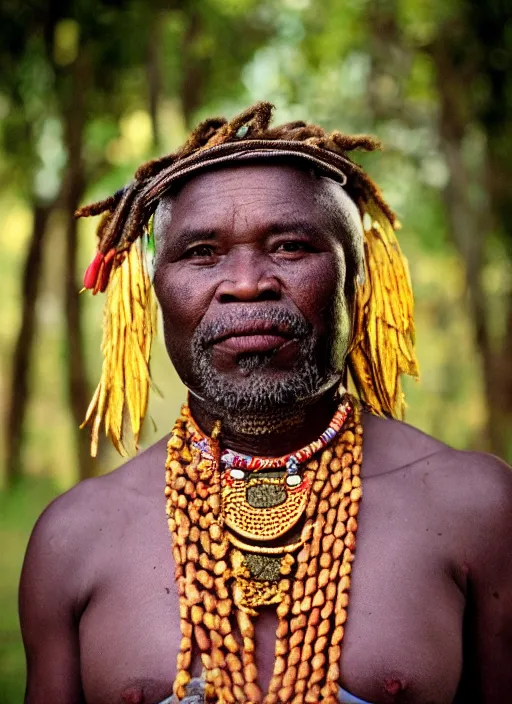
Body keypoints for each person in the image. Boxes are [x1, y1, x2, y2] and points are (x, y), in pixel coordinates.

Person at [19, 103, 512, 704]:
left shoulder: (479, 509)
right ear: (152, 290)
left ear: (359, 278)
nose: (248, 282)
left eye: (290, 247)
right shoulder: (72, 540)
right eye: (201, 252)